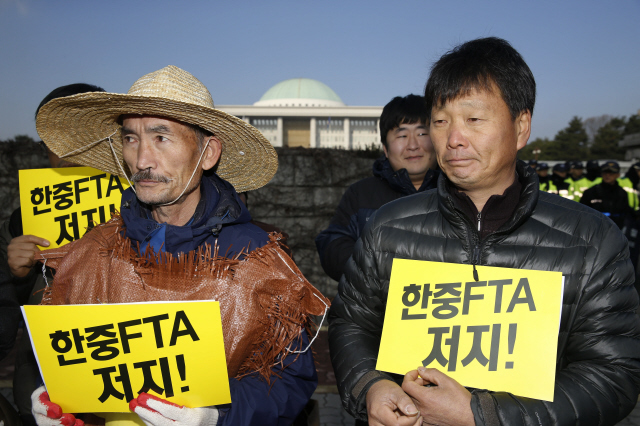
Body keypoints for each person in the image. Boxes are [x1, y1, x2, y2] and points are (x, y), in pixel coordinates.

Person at [329, 37, 640, 426]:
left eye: (474, 120)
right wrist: (370, 386)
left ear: (521, 126)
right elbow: (351, 323)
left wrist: (485, 416)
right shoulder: (387, 226)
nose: (454, 139)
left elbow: (613, 376)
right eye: (441, 122)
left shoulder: (593, 241)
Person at [28, 66, 328, 426]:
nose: (141, 161)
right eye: (130, 139)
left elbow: (290, 380)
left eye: (161, 137)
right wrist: (58, 401)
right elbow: (74, 362)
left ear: (208, 153)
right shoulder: (94, 250)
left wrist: (217, 416)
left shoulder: (257, 257)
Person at [0, 83, 105, 426]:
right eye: (52, 144)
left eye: (78, 139)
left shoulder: (150, 207)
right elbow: (8, 319)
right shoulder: (22, 221)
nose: (64, 154)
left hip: (124, 370)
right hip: (45, 387)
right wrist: (18, 276)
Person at [315, 94, 438, 282]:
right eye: (402, 135)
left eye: (422, 134)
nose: (413, 145)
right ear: (386, 149)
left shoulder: (459, 192)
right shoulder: (361, 194)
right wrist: (380, 268)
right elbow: (333, 246)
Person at [580, 161, 632, 228]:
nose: (607, 175)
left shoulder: (622, 193)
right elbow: (582, 212)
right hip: (595, 228)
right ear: (601, 174)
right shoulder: (591, 192)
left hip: (616, 229)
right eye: (605, 172)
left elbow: (626, 213)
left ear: (618, 175)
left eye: (611, 173)